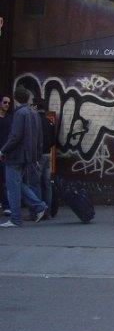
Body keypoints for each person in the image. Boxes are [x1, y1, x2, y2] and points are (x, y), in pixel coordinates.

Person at [0, 87, 47, 227]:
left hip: (15, 156)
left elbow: (15, 136)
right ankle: (39, 206)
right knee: (19, 183)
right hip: (29, 156)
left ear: (15, 99)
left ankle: (15, 219)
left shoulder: (19, 114)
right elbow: (40, 137)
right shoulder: (34, 113)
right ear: (27, 98)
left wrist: (3, 151)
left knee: (12, 186)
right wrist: (37, 155)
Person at [36, 99, 56, 217]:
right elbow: (53, 139)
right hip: (48, 154)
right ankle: (47, 211)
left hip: (39, 155)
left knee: (37, 182)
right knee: (47, 183)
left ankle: (39, 210)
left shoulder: (36, 121)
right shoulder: (50, 122)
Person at [0, 94, 13, 215]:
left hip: (4, 153)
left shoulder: (10, 118)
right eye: (5, 102)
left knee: (5, 181)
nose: (7, 105)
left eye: (8, 103)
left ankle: (6, 205)